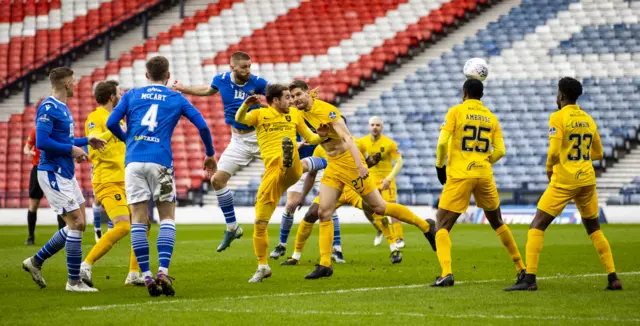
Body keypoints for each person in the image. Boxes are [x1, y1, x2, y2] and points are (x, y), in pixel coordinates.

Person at [289, 80, 436, 279]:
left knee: (380, 208)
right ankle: (325, 264)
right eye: (293, 96)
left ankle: (426, 226)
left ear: (307, 93)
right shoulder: (302, 112)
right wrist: (313, 138)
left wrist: (360, 165)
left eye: (299, 94)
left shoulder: (328, 111)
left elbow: (348, 138)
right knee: (324, 212)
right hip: (333, 165)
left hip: (350, 164)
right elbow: (319, 138)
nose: (296, 99)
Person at [107, 56, 217, 296]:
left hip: (133, 162)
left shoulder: (131, 95)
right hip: (161, 162)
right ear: (168, 76)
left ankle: (145, 275)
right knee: (167, 217)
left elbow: (111, 122)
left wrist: (127, 139)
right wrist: (209, 154)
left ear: (146, 76)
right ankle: (162, 271)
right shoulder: (176, 97)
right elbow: (203, 127)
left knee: (138, 219)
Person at [505, 77, 621, 291]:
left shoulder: (558, 117)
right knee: (594, 228)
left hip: (565, 180)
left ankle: (529, 279)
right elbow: (598, 153)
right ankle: (613, 277)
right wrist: (579, 158)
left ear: (561, 95)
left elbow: (554, 152)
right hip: (587, 179)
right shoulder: (588, 119)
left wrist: (549, 168)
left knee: (537, 225)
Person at [429, 79, 525, 287]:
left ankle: (446, 273)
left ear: (464, 92)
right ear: (481, 95)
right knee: (497, 222)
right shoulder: (491, 117)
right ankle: (521, 269)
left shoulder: (455, 111)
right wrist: (483, 160)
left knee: (442, 224)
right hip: (483, 174)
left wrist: (439, 166)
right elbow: (500, 150)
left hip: (460, 175)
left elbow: (442, 142)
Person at [21, 67, 107, 292]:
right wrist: (71, 149)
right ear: (67, 84)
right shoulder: (48, 107)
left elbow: (64, 139)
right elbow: (41, 141)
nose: (76, 84)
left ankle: (36, 262)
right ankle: (73, 282)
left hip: (66, 172)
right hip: (52, 172)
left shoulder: (63, 108)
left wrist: (86, 141)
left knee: (79, 224)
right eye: (74, 81)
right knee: (76, 223)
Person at [172, 52, 266, 252]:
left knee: (289, 171)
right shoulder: (221, 80)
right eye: (243, 67)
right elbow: (207, 90)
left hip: (260, 138)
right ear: (232, 68)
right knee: (217, 180)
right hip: (238, 141)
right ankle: (232, 227)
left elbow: (277, 99)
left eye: (249, 66)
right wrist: (182, 88)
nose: (248, 70)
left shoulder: (258, 83)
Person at [234, 85, 326, 282]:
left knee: (290, 151)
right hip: (272, 174)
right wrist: (244, 106)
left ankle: (288, 157)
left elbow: (311, 138)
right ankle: (262, 265)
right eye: (286, 97)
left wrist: (324, 135)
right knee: (259, 222)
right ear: (275, 100)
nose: (291, 101)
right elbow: (240, 119)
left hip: (291, 169)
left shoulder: (295, 114)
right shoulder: (259, 114)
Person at [281, 128, 403, 266]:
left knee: (377, 210)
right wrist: (302, 196)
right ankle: (295, 256)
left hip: (353, 189)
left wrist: (373, 161)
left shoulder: (357, 143)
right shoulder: (321, 147)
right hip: (334, 189)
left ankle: (394, 247)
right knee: (311, 214)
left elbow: (365, 163)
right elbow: (312, 174)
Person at [79, 80, 146, 288]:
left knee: (141, 224)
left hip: (126, 179)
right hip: (107, 180)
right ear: (111, 97)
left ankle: (134, 273)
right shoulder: (95, 117)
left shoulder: (119, 119)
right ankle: (86, 265)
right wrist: (112, 128)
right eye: (119, 92)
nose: (122, 94)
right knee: (124, 225)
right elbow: (93, 148)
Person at [360, 116, 405, 248]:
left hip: (386, 180)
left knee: (391, 208)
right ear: (369, 127)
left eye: (377, 125)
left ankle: (399, 237)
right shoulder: (362, 143)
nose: (375, 127)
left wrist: (389, 179)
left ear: (382, 127)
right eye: (372, 125)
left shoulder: (389, 143)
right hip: (369, 181)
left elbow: (399, 162)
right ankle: (380, 228)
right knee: (367, 208)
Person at [23, 127, 66, 244]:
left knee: (59, 202)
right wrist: (29, 152)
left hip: (54, 169)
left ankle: (62, 237)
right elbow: (26, 147)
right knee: (33, 203)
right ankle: (30, 237)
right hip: (38, 168)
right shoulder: (35, 130)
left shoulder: (57, 130)